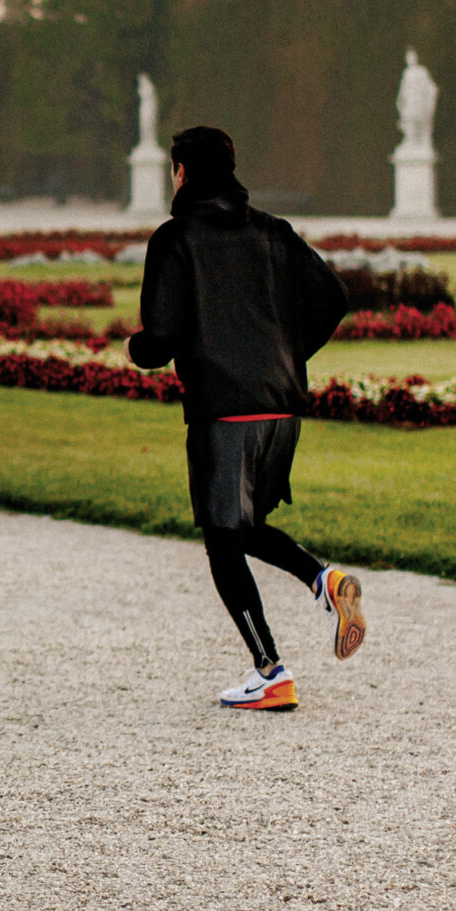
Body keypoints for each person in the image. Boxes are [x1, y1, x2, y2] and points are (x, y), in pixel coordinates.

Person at [128, 125, 365, 710]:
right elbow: (334, 299)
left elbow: (160, 338)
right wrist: (286, 355)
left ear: (183, 172)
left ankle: (271, 670)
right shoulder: (274, 232)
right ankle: (325, 581)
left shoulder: (175, 238)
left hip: (224, 408)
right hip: (281, 405)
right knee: (243, 523)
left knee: (220, 536)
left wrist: (136, 349)